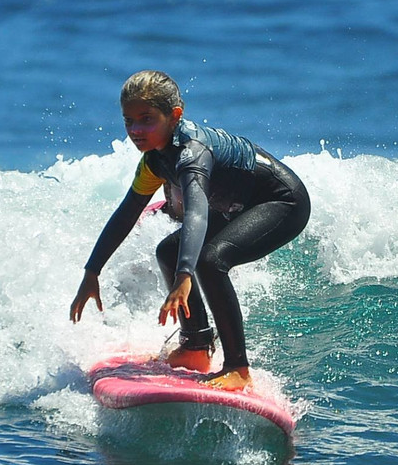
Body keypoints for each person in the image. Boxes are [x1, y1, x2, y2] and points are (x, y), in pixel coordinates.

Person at [69, 70, 311, 390]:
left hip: (282, 202)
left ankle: (238, 368)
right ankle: (196, 346)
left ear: (174, 116)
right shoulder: (154, 159)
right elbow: (127, 213)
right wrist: (92, 271)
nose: (136, 130)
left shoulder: (192, 153)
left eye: (146, 119)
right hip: (238, 204)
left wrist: (185, 275)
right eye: (129, 120)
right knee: (169, 251)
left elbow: (197, 213)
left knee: (210, 261)